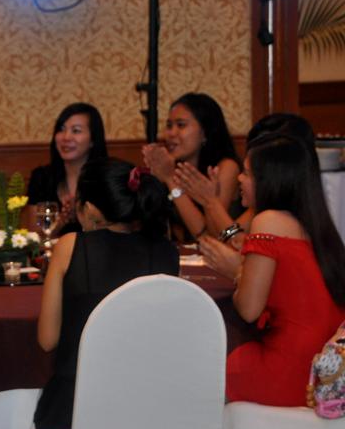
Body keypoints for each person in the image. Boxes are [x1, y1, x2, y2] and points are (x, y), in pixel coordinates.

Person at [34, 158, 179, 429]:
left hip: (78, 410)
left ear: (88, 209)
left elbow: (47, 339)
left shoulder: (70, 246)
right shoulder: (167, 252)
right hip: (150, 408)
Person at [203, 133, 345, 406]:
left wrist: (238, 272)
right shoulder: (317, 227)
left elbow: (249, 309)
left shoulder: (268, 221)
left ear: (271, 180)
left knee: (208, 358)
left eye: (247, 173)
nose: (240, 179)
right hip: (324, 371)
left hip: (290, 372)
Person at [177, 113, 317, 255]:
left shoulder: (279, 215)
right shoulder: (262, 206)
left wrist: (211, 202)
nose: (240, 178)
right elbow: (227, 236)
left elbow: (239, 245)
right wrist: (210, 202)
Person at [142, 92, 240, 242]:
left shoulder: (226, 168)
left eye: (181, 125)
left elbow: (210, 236)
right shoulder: (170, 167)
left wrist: (170, 180)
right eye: (169, 125)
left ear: (205, 132)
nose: (171, 133)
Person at [23, 103, 108, 235]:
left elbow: (116, 231)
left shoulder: (107, 177)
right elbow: (34, 236)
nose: (66, 137)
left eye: (76, 131)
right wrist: (62, 220)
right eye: (61, 129)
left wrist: (82, 213)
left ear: (93, 140)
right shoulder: (42, 177)